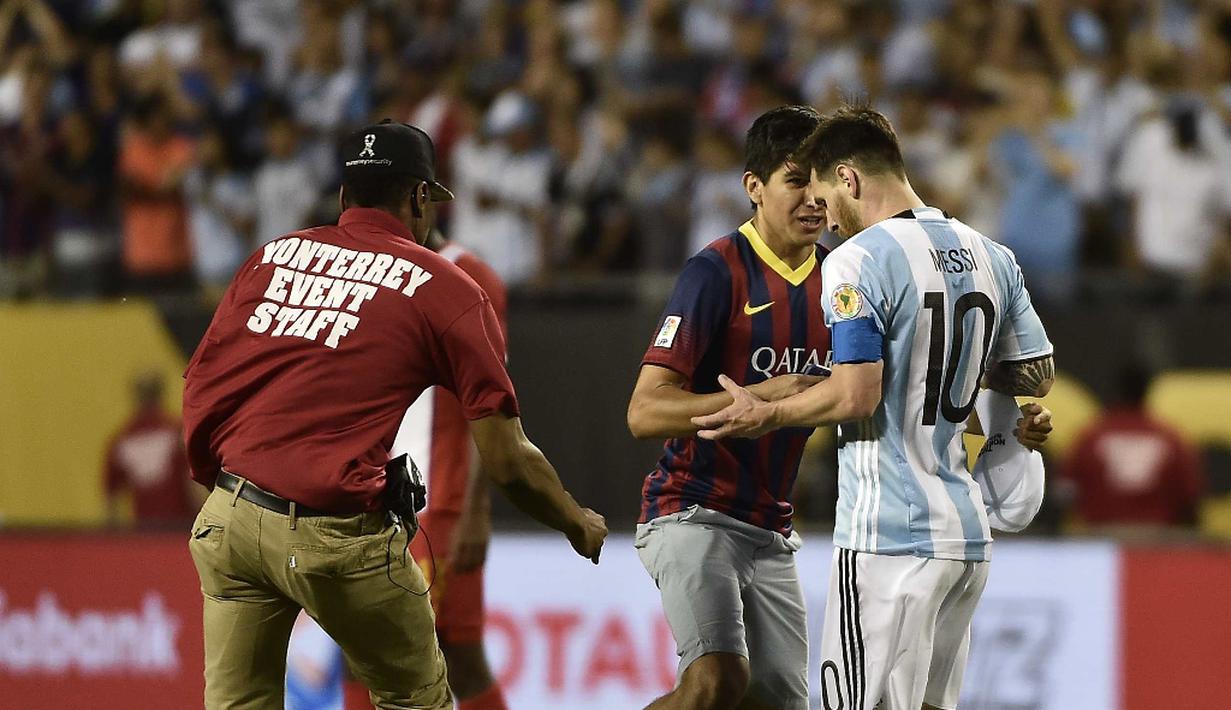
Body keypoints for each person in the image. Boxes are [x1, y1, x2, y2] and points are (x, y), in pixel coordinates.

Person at [182, 119, 607, 710]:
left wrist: (218, 489)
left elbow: (203, 384)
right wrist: (574, 520)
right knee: (416, 697)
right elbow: (508, 459)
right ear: (419, 198)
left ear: (342, 198)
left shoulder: (271, 256)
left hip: (232, 519)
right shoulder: (450, 287)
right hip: (336, 529)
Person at [693, 105, 1055, 710]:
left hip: (888, 537)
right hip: (965, 540)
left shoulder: (858, 261)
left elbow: (856, 394)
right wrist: (972, 386)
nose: (825, 217)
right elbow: (1034, 376)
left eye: (826, 195)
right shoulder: (993, 255)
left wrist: (767, 413)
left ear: (850, 179)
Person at [626, 105, 831, 710]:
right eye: (797, 181)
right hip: (693, 507)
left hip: (772, 527)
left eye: (822, 184)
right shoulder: (715, 271)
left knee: (779, 704)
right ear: (753, 187)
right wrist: (756, 398)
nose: (814, 200)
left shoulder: (844, 277)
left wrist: (996, 421)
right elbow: (643, 410)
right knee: (718, 680)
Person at [394, 227, 511, 710]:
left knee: (458, 653)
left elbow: (493, 399)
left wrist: (476, 506)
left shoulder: (469, 274)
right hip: (369, 498)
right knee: (362, 651)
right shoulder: (363, 265)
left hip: (435, 502)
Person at [1063, 363, 1205, 530]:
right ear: (1147, 391)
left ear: (1116, 391)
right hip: (1158, 540)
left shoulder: (1091, 437)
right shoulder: (1170, 438)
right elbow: (1189, 499)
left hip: (1102, 536)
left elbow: (1067, 492)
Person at [104, 371, 201, 529]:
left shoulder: (122, 439)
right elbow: (194, 484)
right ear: (160, 394)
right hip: (181, 526)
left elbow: (111, 496)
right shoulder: (177, 430)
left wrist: (114, 537)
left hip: (145, 530)